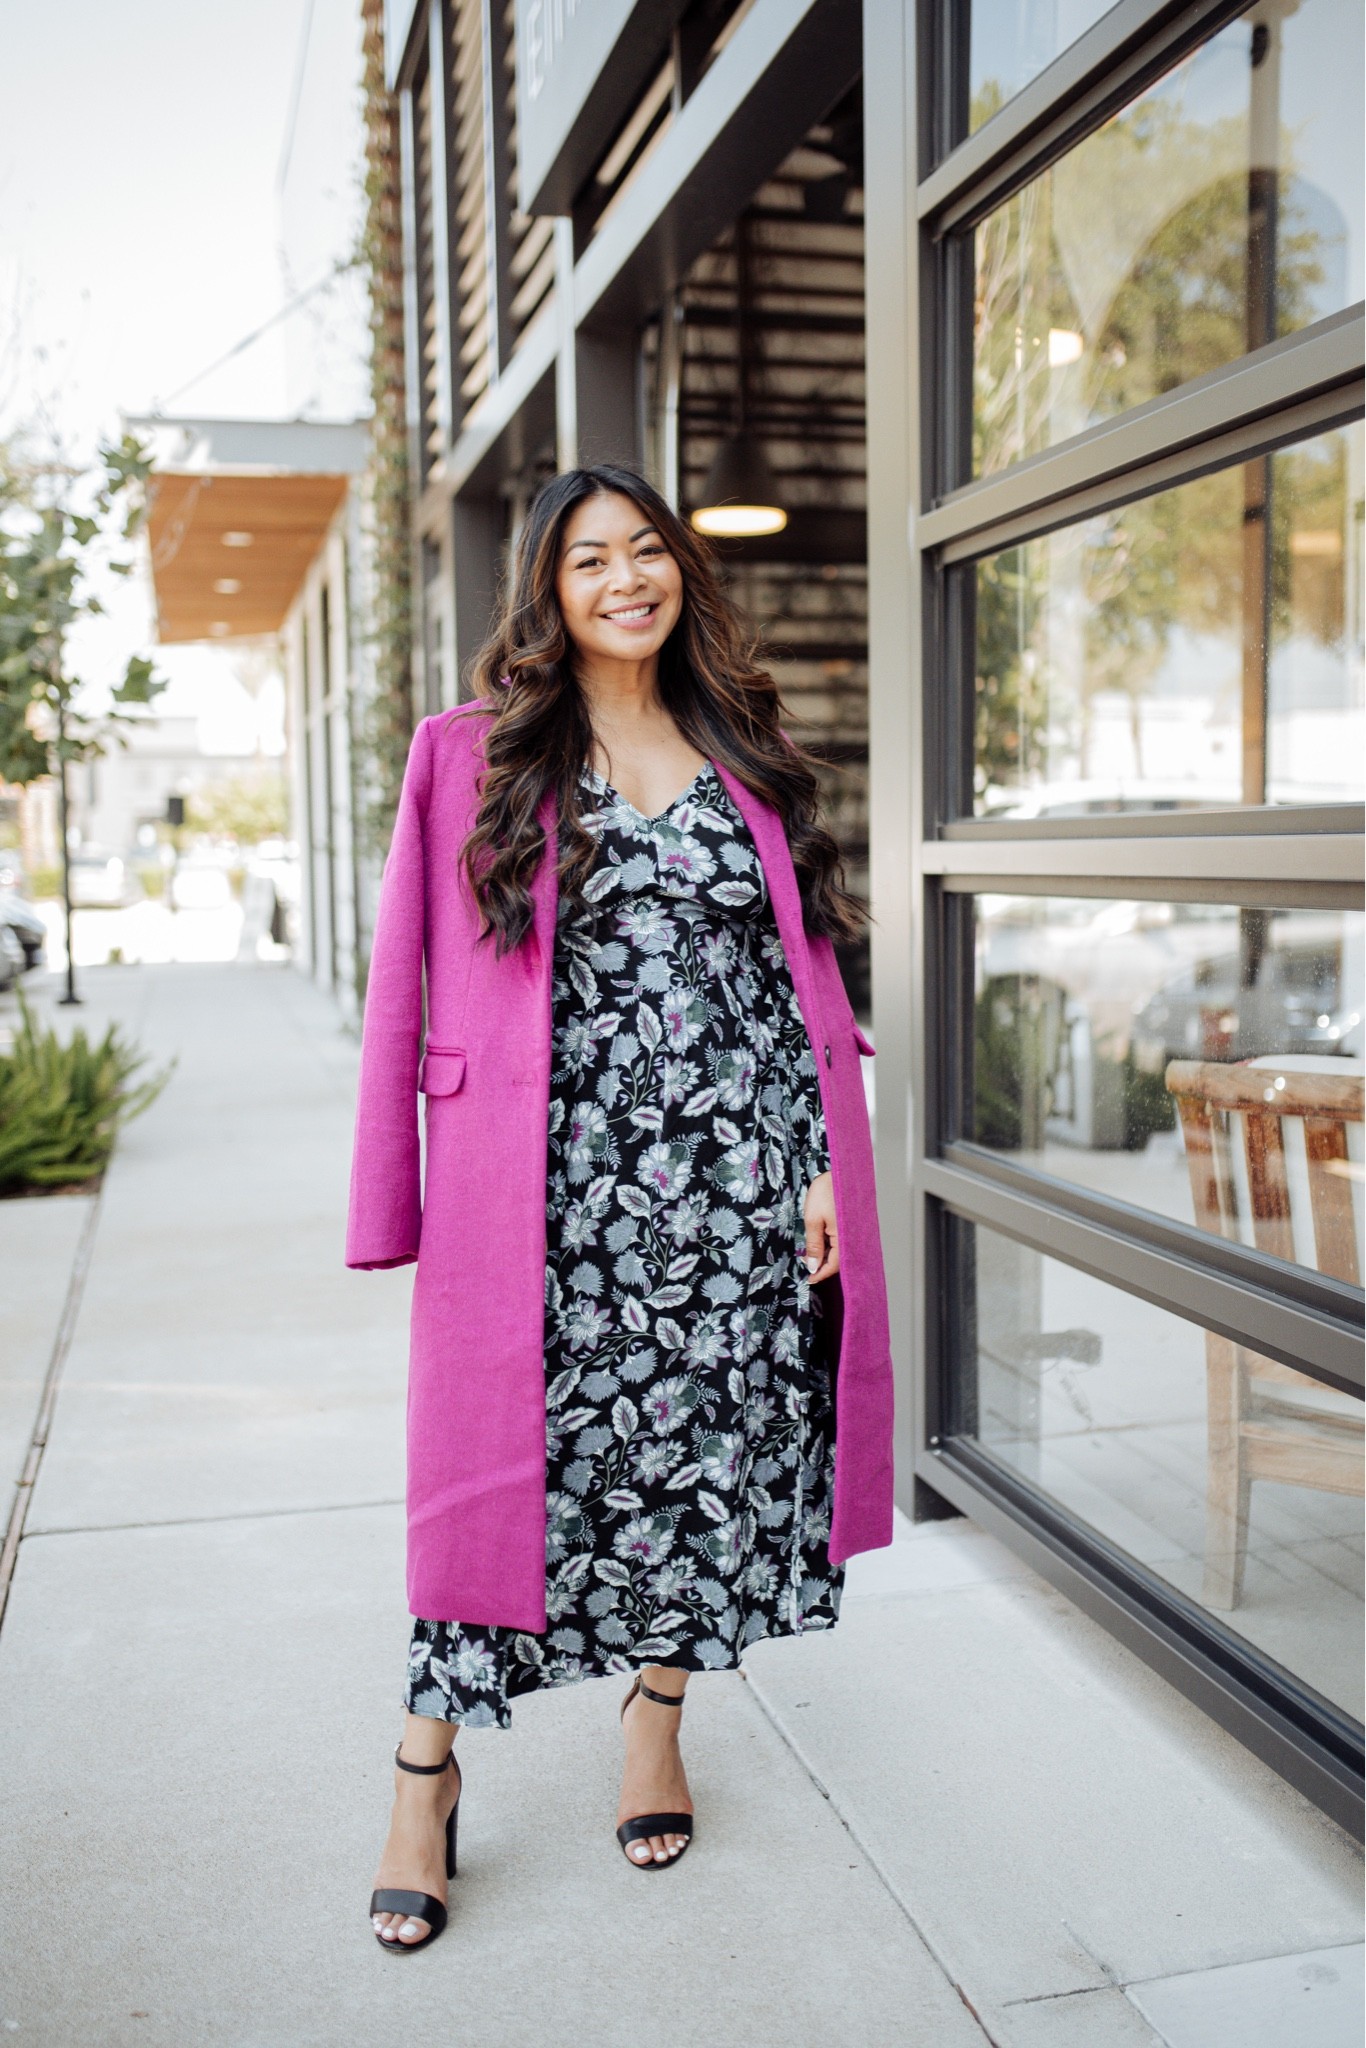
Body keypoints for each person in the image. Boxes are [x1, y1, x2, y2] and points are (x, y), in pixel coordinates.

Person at [348, 464, 893, 1952]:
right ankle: (423, 1774)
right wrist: (386, 1195)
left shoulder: (743, 743)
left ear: (678, 574)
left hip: (729, 1190)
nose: (625, 578)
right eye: (590, 559)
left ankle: (656, 1723)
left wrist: (824, 1165)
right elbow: (404, 978)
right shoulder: (470, 752)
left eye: (645, 551)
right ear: (549, 587)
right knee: (491, 1486)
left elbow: (797, 979)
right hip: (539, 1193)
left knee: (697, 1467)